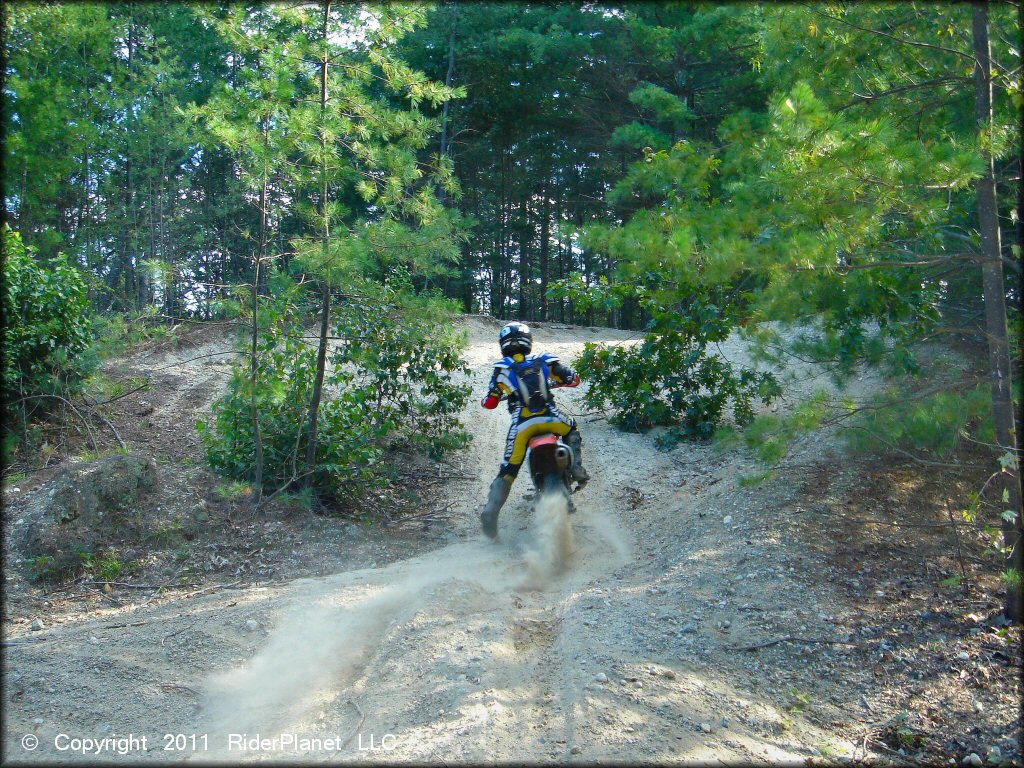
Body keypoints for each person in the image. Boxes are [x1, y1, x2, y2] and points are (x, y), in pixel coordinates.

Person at [478, 321, 589, 539]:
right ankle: (575, 467)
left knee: (509, 469)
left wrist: (488, 399)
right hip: (551, 419)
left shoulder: (501, 368)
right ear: (528, 342)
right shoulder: (545, 361)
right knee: (572, 428)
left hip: (523, 426)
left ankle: (491, 513)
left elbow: (490, 402)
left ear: (503, 344)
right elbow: (573, 379)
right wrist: (560, 381)